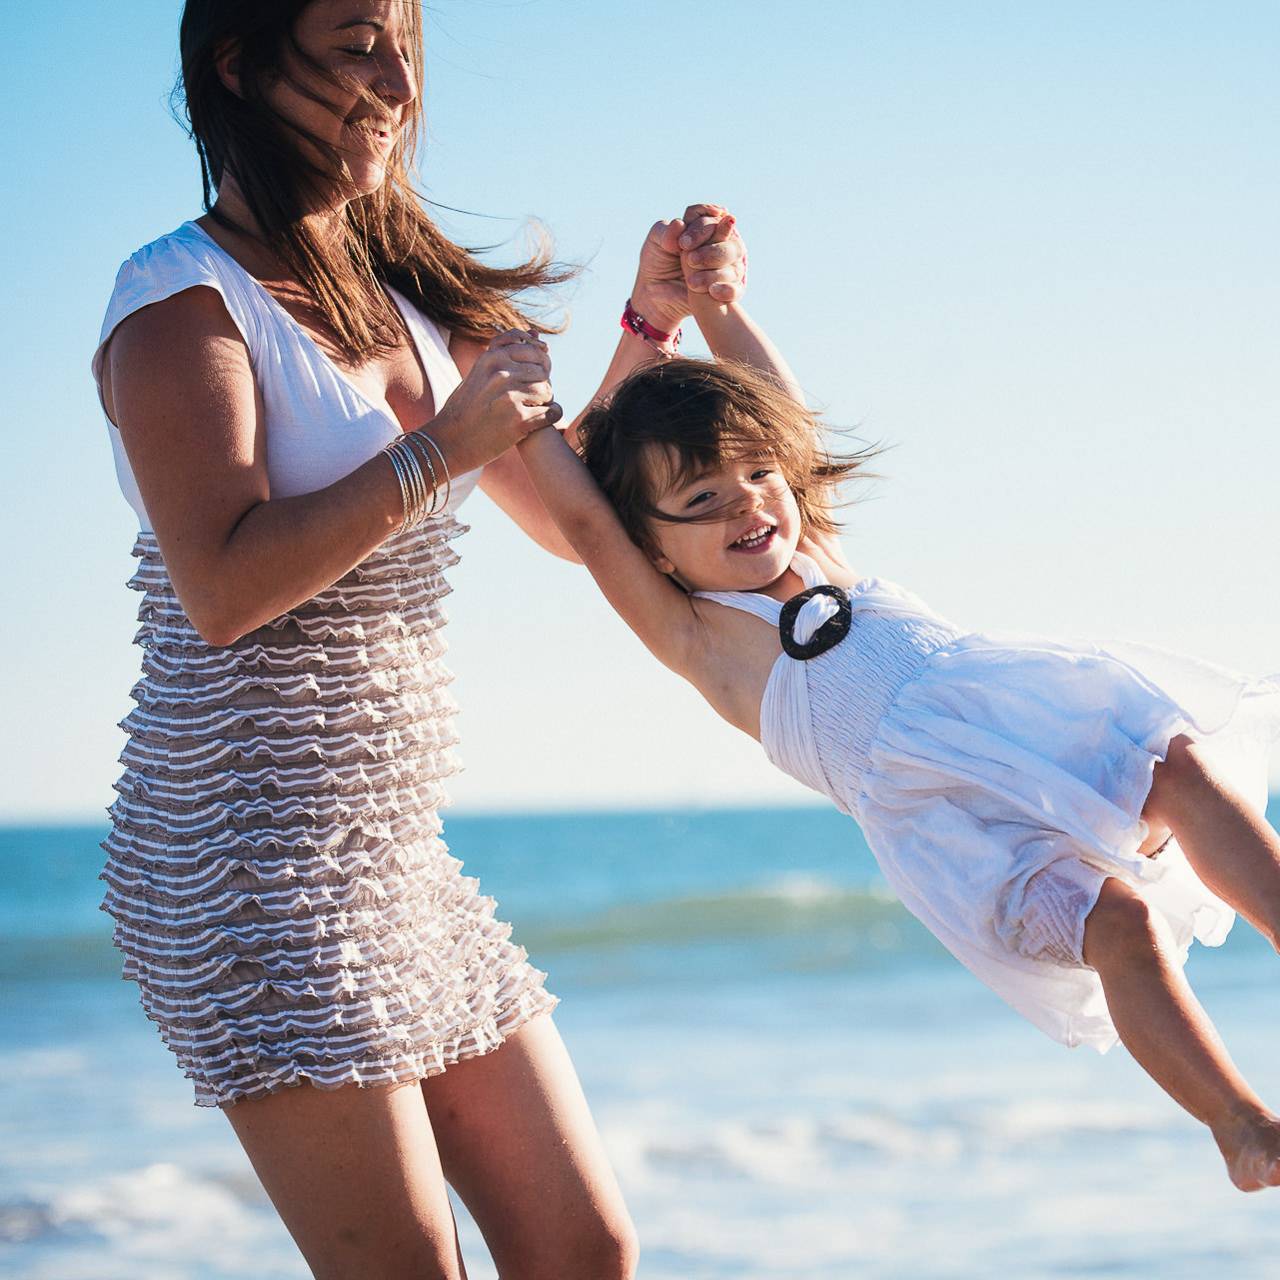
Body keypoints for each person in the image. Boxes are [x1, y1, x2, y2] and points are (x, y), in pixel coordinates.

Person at [91, 1, 744, 1275]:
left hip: (387, 852)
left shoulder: (397, 285)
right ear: (238, 62)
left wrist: (648, 326)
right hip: (241, 865)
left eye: (404, 47)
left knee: (583, 1246)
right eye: (353, 45)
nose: (395, 82)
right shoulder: (177, 301)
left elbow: (566, 517)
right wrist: (440, 445)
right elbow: (221, 587)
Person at [517, 217, 1280, 1194]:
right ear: (653, 547)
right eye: (701, 501)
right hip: (943, 817)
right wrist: (527, 418)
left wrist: (718, 306)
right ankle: (1241, 1122)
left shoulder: (816, 546)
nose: (747, 507)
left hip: (1014, 715)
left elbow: (778, 408)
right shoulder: (698, 638)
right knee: (1116, 924)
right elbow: (584, 516)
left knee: (1170, 762)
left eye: (756, 477)